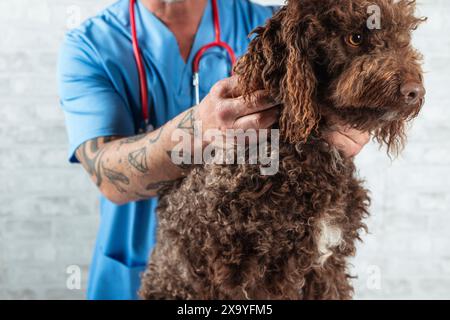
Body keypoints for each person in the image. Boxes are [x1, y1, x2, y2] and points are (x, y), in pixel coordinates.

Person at [57, 0, 370, 300]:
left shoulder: (278, 28)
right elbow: (107, 174)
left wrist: (352, 118)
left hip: (260, 274)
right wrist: (199, 131)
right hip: (134, 270)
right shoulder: (90, 46)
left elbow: (359, 71)